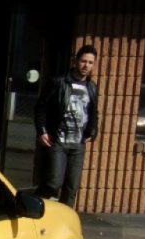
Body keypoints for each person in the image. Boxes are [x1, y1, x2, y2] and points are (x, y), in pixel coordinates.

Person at [34, 45, 99, 208]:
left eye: (90, 62)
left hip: (78, 145)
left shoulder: (91, 87)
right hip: (58, 142)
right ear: (76, 61)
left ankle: (64, 221)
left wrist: (93, 129)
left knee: (71, 188)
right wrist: (42, 131)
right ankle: (36, 206)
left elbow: (93, 112)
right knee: (54, 183)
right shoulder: (59, 82)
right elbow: (40, 107)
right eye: (83, 61)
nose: (86, 66)